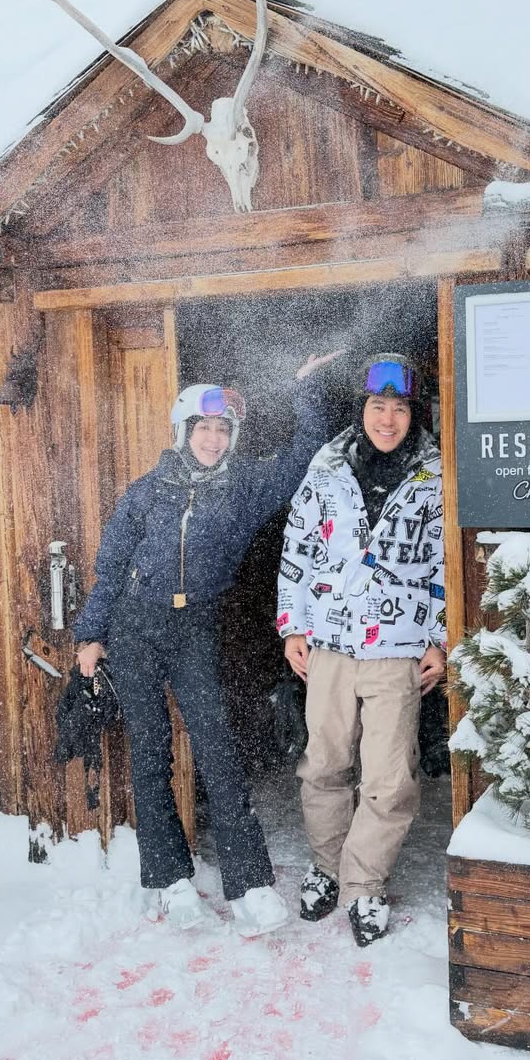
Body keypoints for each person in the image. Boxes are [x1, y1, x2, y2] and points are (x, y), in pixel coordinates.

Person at [74, 351, 341, 937]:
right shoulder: (146, 493)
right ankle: (168, 879)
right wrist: (91, 634)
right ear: (184, 432)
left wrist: (306, 388)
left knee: (218, 750)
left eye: (222, 430)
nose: (214, 439)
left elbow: (303, 456)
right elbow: (112, 567)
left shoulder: (245, 488)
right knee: (150, 756)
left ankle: (251, 884)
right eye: (204, 429)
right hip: (135, 629)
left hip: (195, 629)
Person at [277, 353, 446, 946]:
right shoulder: (324, 470)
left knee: (389, 777)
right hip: (328, 642)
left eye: (400, 409)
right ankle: (327, 869)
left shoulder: (435, 475)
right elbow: (296, 551)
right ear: (362, 409)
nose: (389, 419)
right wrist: (292, 627)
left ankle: (363, 885)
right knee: (323, 765)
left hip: (398, 649)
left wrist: (441, 638)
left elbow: (446, 563)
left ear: (413, 414)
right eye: (379, 407)